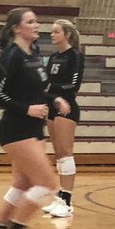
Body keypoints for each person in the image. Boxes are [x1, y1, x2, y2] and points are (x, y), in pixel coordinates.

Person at [0, 7, 67, 229]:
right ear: (17, 28)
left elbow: (36, 89)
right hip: (16, 129)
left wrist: (53, 98)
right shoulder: (11, 56)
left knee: (22, 184)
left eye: (36, 21)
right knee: (48, 184)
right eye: (31, 22)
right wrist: (26, 109)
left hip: (35, 128)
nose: (37, 25)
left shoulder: (34, 53)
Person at [43, 18, 84, 218]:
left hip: (67, 108)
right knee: (58, 153)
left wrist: (54, 90)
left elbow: (74, 86)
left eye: (56, 31)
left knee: (66, 153)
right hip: (52, 106)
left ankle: (67, 201)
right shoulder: (52, 57)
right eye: (51, 31)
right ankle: (60, 197)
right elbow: (46, 85)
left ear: (66, 34)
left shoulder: (75, 56)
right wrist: (51, 94)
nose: (52, 34)